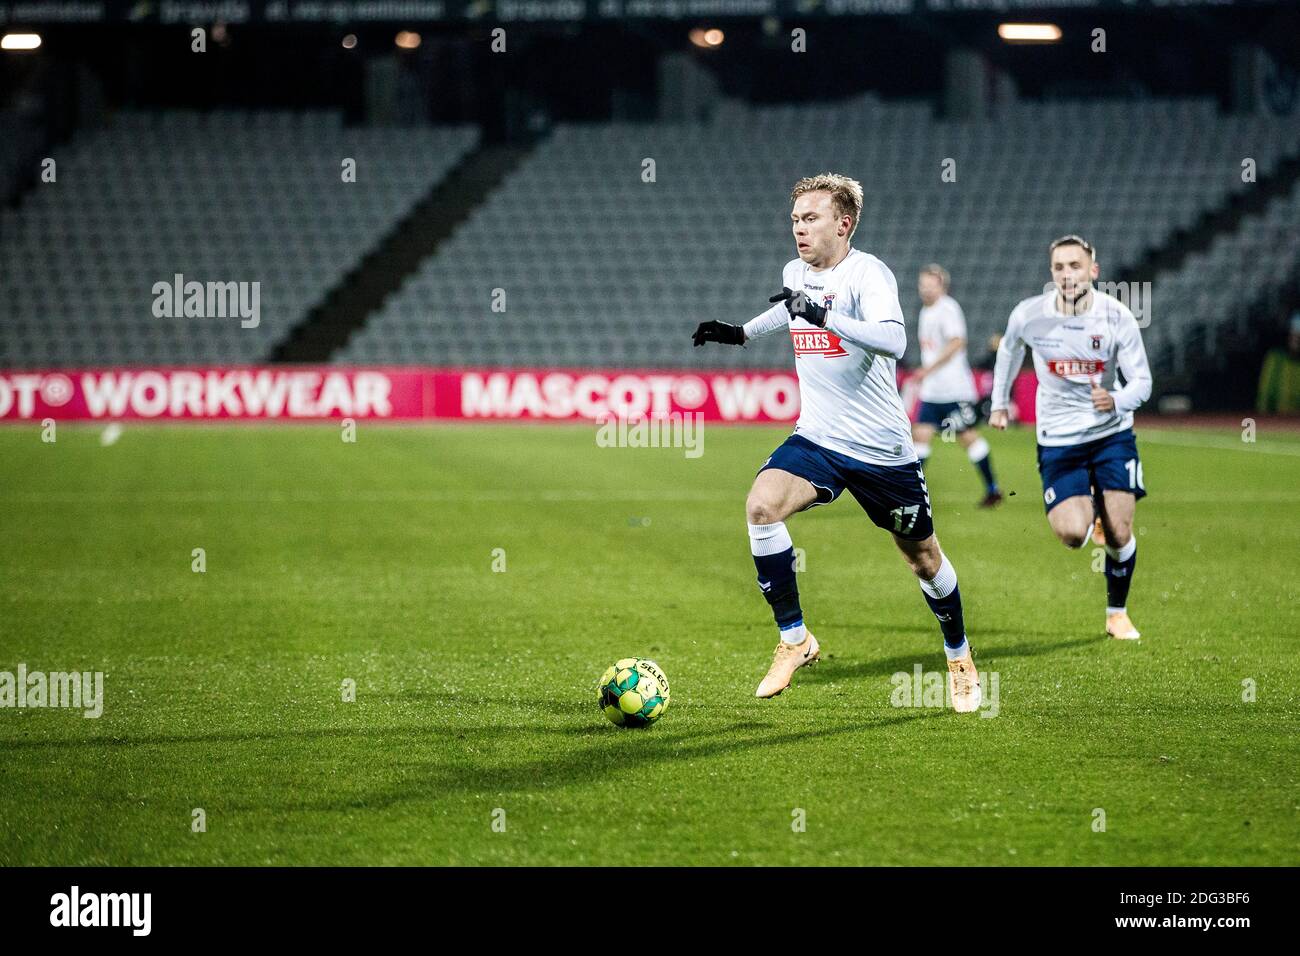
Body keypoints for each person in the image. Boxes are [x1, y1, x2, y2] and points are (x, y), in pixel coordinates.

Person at [691, 173, 980, 710]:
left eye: (811, 218)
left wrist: (825, 316)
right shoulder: (795, 271)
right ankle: (795, 639)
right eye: (795, 219)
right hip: (818, 438)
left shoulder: (869, 274)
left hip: (881, 451)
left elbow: (894, 339)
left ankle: (959, 654)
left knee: (924, 560)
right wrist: (741, 333)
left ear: (843, 224)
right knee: (761, 507)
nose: (798, 228)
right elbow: (791, 306)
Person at [989, 235, 1152, 640]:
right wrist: (999, 403)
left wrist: (1116, 400)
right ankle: (1089, 510)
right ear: (1052, 273)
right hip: (1059, 439)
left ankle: (1117, 613)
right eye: (1059, 267)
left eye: (1075, 266)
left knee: (1118, 531)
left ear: (1092, 271)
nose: (1067, 274)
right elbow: (1008, 351)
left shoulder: (1116, 317)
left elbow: (1143, 382)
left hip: (1111, 435)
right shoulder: (1030, 314)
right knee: (1072, 536)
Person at [911, 264, 1002, 507]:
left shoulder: (948, 309)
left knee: (968, 436)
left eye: (931, 286)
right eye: (923, 286)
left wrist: (927, 370)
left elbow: (957, 343)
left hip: (954, 389)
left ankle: (993, 488)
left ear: (942, 285)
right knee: (920, 434)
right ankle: (914, 493)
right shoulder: (926, 311)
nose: (926, 290)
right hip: (933, 390)